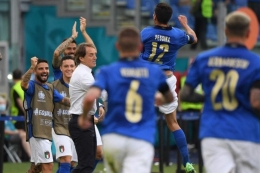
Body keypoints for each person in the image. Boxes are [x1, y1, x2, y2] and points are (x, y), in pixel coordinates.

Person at [80, 27, 173, 173]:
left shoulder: (107, 71)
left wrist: (84, 117)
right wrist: (159, 98)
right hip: (141, 138)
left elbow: (90, 96)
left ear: (117, 46)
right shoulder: (154, 71)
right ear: (141, 47)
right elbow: (169, 97)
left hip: (113, 138)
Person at [180, 11, 260, 173]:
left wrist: (209, 99)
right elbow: (256, 102)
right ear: (249, 33)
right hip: (246, 132)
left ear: (225, 31)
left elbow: (186, 94)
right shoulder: (256, 63)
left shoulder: (204, 58)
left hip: (213, 131)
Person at [139, 2, 197, 172]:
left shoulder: (146, 32)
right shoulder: (178, 34)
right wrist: (186, 24)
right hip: (167, 80)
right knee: (172, 123)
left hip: (147, 79)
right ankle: (187, 162)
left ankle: (137, 162)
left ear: (154, 16)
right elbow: (194, 39)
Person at [21, 57, 70, 173]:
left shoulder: (50, 88)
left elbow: (65, 101)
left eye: (47, 68)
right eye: (40, 69)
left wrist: (84, 104)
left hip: (46, 132)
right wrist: (31, 67)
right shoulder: (32, 85)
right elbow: (23, 84)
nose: (44, 71)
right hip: (36, 132)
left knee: (35, 169)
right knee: (48, 166)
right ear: (35, 71)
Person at [68, 42, 105, 173]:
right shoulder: (83, 74)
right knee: (85, 166)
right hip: (81, 122)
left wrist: (100, 105)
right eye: (91, 55)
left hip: (85, 121)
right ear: (81, 58)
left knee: (87, 164)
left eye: (95, 54)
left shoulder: (86, 72)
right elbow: (99, 91)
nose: (94, 57)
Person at [52, 56, 77, 173]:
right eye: (66, 66)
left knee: (72, 163)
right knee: (66, 159)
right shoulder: (53, 86)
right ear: (60, 68)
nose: (69, 69)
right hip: (59, 127)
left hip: (76, 128)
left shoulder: (80, 85)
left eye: (72, 66)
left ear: (75, 67)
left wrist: (100, 106)